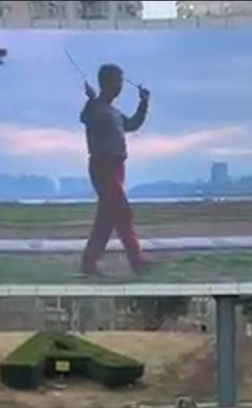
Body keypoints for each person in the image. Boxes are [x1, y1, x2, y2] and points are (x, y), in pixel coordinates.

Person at [78, 63, 153, 277]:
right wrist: (91, 99)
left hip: (117, 168)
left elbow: (133, 124)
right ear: (108, 82)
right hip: (103, 167)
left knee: (107, 218)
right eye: (119, 81)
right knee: (122, 213)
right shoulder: (95, 108)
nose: (121, 86)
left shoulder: (113, 112)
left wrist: (143, 103)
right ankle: (137, 261)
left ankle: (89, 262)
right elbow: (86, 117)